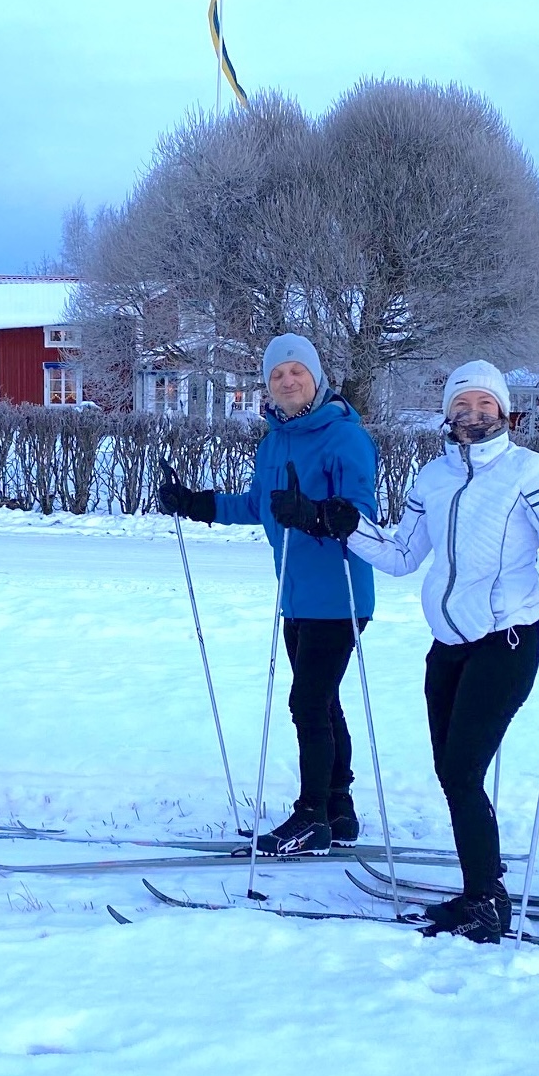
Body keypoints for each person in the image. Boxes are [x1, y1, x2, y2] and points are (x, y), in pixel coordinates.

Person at [278, 360, 539, 942]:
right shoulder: (432, 478)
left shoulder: (529, 470)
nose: (473, 415)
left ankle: (486, 899)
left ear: (504, 411)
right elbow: (402, 555)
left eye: (485, 405)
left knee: (461, 770)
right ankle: (482, 883)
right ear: (449, 414)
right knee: (453, 773)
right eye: (462, 405)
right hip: (447, 647)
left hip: (506, 641)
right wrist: (337, 521)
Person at [158, 334, 378, 856]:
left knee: (308, 703)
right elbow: (258, 505)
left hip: (339, 595)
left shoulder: (345, 437)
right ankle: (338, 808)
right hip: (295, 597)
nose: (287, 381)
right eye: (277, 374)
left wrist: (316, 514)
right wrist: (195, 503)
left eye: (297, 371)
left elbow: (362, 515)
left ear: (316, 378)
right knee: (324, 702)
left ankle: (311, 816)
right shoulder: (274, 441)